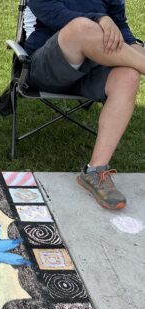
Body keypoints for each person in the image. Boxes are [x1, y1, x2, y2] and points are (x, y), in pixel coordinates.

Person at [24, 0, 145, 209]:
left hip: (93, 68)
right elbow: (52, 13)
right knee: (81, 27)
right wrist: (100, 19)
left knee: (128, 76)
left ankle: (96, 171)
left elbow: (120, 27)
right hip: (48, 66)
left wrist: (135, 46)